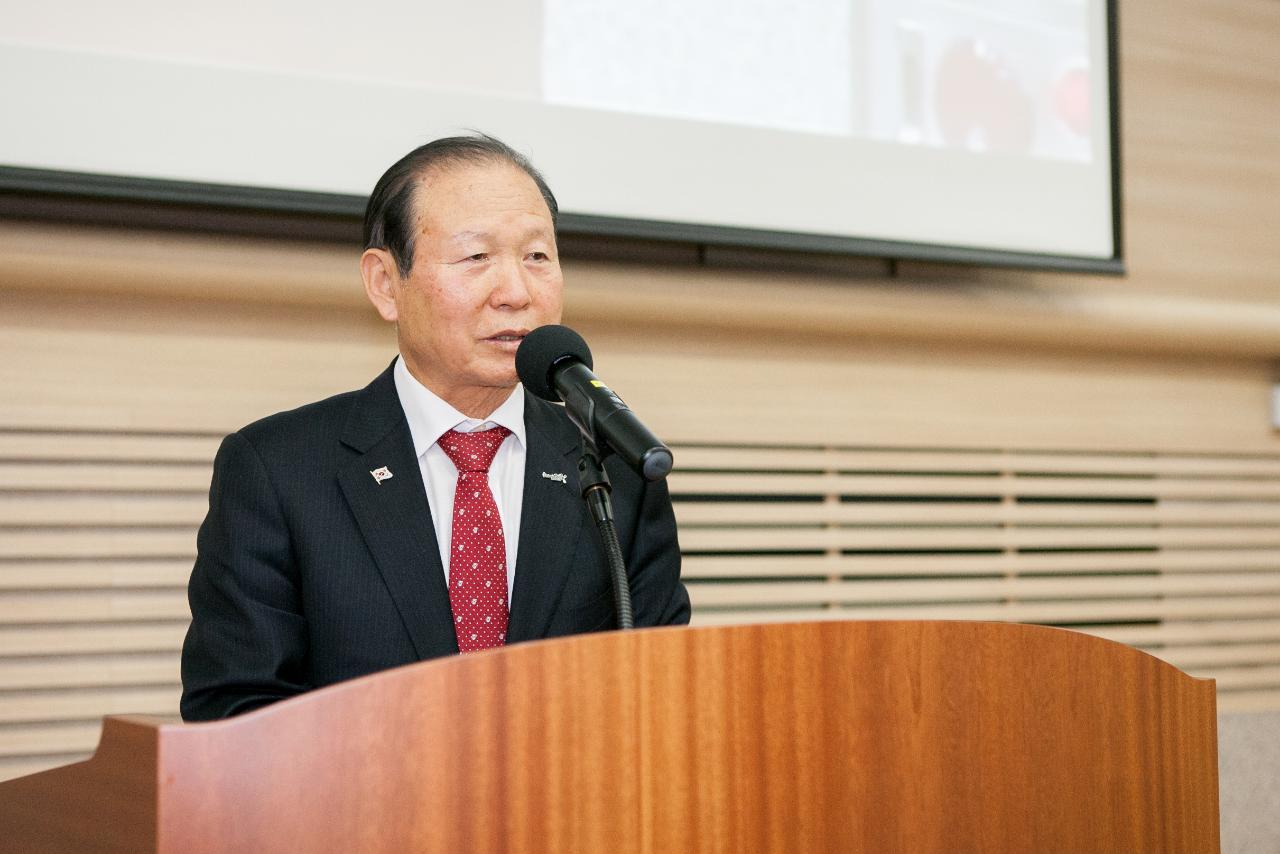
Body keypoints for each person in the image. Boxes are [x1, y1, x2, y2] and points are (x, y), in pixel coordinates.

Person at [180, 134, 690, 721]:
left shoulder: (616, 470)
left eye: (537, 257)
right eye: (476, 257)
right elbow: (233, 716)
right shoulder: (277, 470)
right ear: (384, 283)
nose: (516, 293)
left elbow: (666, 701)